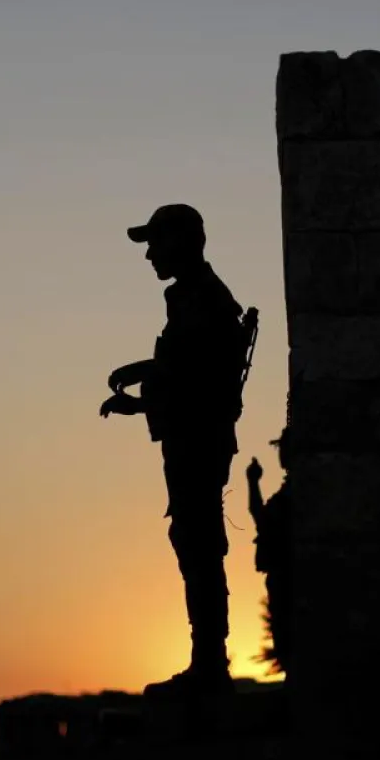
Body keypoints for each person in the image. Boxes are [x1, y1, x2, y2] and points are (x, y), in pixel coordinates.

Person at [101, 203, 256, 696]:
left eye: (155, 243)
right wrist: (144, 385)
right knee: (195, 545)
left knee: (200, 548)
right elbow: (187, 371)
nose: (149, 255)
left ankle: (209, 663)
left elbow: (199, 379)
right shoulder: (193, 298)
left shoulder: (203, 299)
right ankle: (207, 660)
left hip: (198, 442)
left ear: (184, 243)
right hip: (191, 439)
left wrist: (144, 387)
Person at [247, 427, 295, 680]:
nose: (281, 453)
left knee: (289, 631)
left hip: (288, 574)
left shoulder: (297, 492)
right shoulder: (290, 491)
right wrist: (253, 482)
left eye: (284, 447)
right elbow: (262, 519)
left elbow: (262, 520)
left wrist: (253, 483)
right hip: (280, 573)